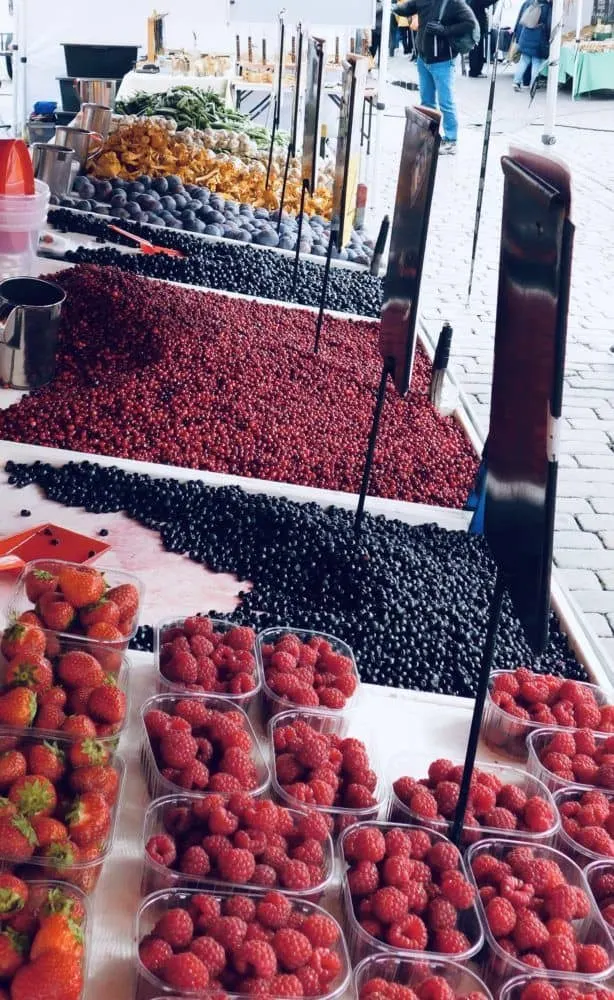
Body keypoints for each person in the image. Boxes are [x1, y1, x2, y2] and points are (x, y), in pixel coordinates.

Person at [393, 0, 479, 153]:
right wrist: (391, 7)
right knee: (427, 101)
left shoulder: (453, 2)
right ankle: (429, 135)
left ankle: (451, 140)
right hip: (423, 59)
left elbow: (470, 23)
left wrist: (445, 30)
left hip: (443, 61)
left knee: (446, 102)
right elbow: (407, 8)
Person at [512, 0, 551, 90]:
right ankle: (533, 84)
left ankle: (516, 82)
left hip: (526, 36)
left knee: (524, 60)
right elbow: (549, 25)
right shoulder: (547, 7)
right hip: (538, 38)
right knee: (536, 62)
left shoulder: (531, 4)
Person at [468, 0, 496, 76]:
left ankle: (476, 70)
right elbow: (485, 2)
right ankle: (475, 71)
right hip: (477, 23)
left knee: (476, 47)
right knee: (476, 48)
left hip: (476, 22)